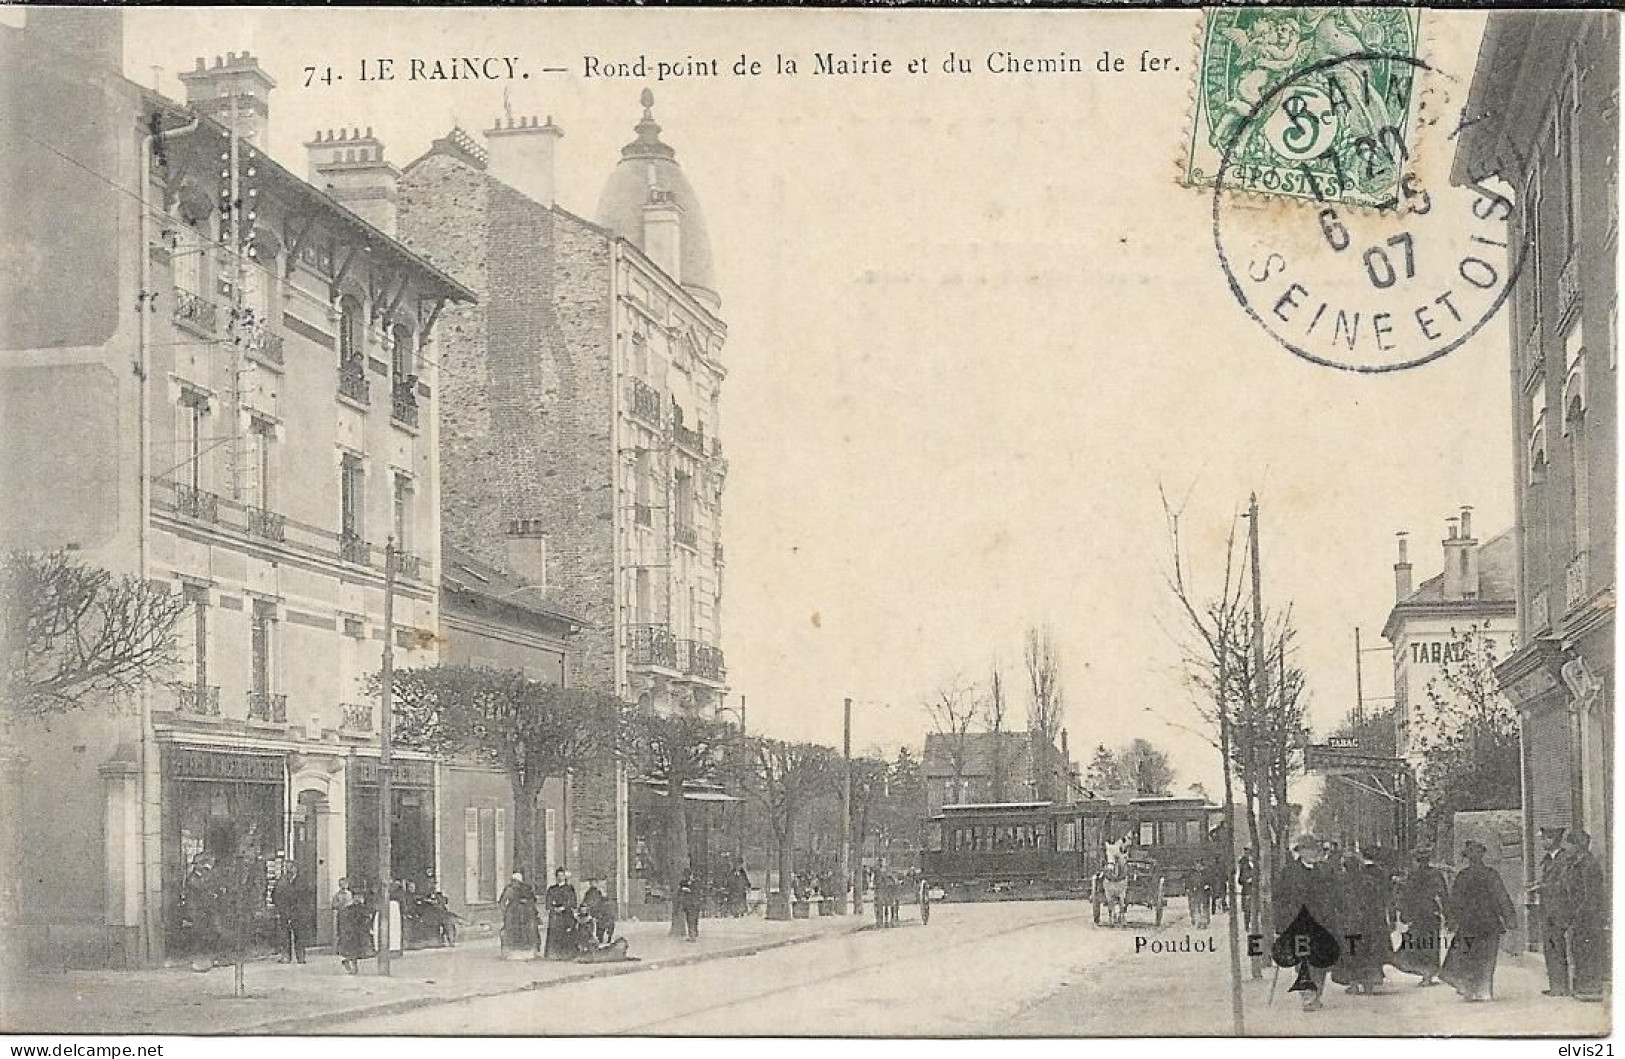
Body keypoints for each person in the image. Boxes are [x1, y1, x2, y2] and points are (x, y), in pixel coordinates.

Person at [1439, 840, 1515, 1002]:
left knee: (1468, 956)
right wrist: (1509, 918)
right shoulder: (1491, 874)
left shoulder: (1463, 876)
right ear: (1482, 856)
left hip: (1469, 923)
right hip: (1489, 923)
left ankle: (1469, 988)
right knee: (1487, 956)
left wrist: (1452, 920)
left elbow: (1455, 901)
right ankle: (1484, 989)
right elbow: (1502, 897)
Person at [1275, 833, 1335, 1012]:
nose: (1314, 853)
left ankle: (1317, 994)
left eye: (1315, 850)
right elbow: (1279, 899)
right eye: (1310, 850)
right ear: (1301, 852)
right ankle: (1308, 998)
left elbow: (1333, 896)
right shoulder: (1289, 872)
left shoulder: (1324, 870)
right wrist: (1280, 924)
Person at [1561, 829, 1607, 1002]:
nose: (1567, 848)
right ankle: (1582, 987)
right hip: (1578, 914)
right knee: (1579, 949)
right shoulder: (1576, 863)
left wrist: (1578, 914)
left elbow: (1590, 894)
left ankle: (1591, 988)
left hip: (1587, 916)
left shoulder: (1588, 865)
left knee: (1587, 950)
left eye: (1570, 844)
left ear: (1578, 845)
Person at [1395, 846, 1449, 987]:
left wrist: (1404, 913)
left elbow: (1405, 895)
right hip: (1430, 913)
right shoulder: (1435, 874)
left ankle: (1425, 974)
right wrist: (1447, 913)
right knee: (1430, 944)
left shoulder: (1413, 875)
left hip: (1419, 913)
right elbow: (1443, 895)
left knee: (1417, 943)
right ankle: (1428, 975)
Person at [1534, 827, 1574, 997]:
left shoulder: (1563, 859)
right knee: (1550, 947)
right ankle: (1555, 985)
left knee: (1557, 947)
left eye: (1545, 839)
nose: (1542, 842)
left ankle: (1561, 986)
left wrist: (1541, 887)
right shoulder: (1549, 859)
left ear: (1553, 840)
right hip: (1548, 910)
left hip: (1558, 910)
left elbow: (1564, 885)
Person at [270, 861, 313, 964]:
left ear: (295, 869)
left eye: (290, 868)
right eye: (286, 868)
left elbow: (307, 896)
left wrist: (304, 909)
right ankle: (286, 956)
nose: (288, 870)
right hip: (285, 911)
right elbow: (275, 894)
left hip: (298, 912)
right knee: (284, 935)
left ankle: (300, 956)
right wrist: (279, 906)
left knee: (299, 934)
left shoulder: (302, 881)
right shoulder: (282, 881)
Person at [334, 877, 374, 974]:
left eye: (359, 897)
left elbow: (367, 919)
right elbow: (345, 920)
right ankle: (351, 964)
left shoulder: (363, 908)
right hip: (352, 932)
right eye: (356, 897)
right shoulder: (349, 909)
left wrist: (368, 927)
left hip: (360, 932)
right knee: (352, 950)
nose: (358, 899)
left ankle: (351, 964)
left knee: (359, 951)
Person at [498, 870, 540, 958]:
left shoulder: (526, 889)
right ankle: (511, 952)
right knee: (512, 932)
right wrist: (506, 913)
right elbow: (502, 902)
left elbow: (532, 900)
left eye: (516, 881)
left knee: (526, 932)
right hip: (513, 914)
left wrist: (527, 904)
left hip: (525, 914)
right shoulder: (509, 889)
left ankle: (528, 952)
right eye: (513, 881)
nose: (514, 883)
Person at [544, 868, 578, 959]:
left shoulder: (569, 888)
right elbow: (548, 902)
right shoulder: (552, 889)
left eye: (562, 875)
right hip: (555, 915)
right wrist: (554, 908)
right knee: (554, 933)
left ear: (565, 877)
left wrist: (564, 907)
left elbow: (573, 902)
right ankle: (554, 954)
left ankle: (566, 954)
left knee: (567, 933)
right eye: (558, 876)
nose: (560, 878)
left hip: (566, 914)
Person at [582, 879, 616, 945]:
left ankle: (603, 938)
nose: (592, 884)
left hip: (599, 912)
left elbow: (601, 902)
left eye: (594, 882)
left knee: (602, 925)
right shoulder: (588, 893)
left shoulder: (598, 892)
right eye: (591, 882)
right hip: (591, 912)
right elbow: (585, 902)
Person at [677, 868, 701, 941]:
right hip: (687, 904)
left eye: (689, 875)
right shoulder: (682, 882)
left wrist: (689, 890)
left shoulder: (696, 883)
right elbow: (679, 891)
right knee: (689, 919)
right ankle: (692, 935)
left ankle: (693, 935)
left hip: (694, 903)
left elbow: (697, 892)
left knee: (693, 919)